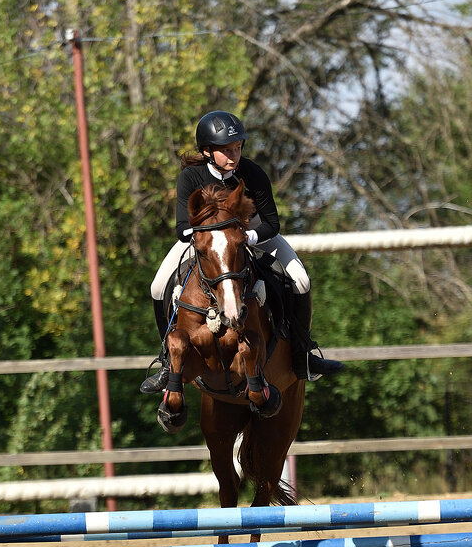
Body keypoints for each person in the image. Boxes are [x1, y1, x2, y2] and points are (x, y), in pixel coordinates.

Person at [140, 110, 344, 393]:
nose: (234, 156)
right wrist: (211, 237)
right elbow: (181, 228)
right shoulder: (191, 176)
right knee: (158, 285)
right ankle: (166, 362)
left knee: (300, 279)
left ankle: (303, 354)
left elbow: (273, 223)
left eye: (237, 148)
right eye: (226, 150)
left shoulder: (252, 173)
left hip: (254, 234)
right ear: (207, 151)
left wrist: (245, 236)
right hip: (205, 242)